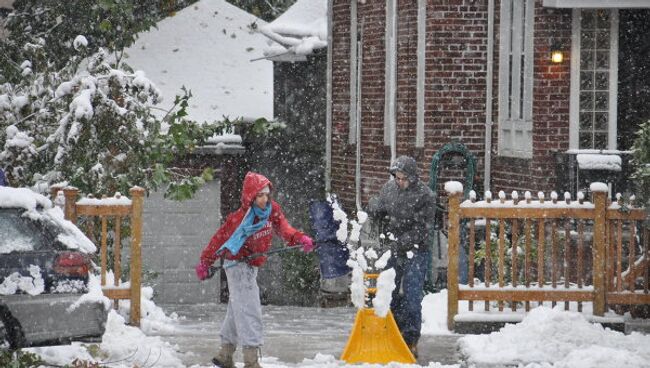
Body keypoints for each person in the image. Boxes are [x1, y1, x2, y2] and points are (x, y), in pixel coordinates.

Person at [195, 171, 315, 368]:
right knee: (250, 310)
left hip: (252, 265)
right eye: (260, 195)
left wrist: (299, 238)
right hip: (237, 266)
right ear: (250, 196)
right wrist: (205, 262)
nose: (264, 199)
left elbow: (284, 228)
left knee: (237, 308)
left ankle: (225, 354)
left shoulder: (271, 210)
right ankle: (251, 361)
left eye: (267, 195)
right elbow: (219, 239)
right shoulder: (239, 219)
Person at [367, 155, 436, 358]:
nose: (400, 182)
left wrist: (402, 242)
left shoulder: (425, 196)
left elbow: (423, 230)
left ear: (413, 177)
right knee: (390, 291)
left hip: (416, 250)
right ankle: (395, 332)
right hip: (393, 248)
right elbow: (379, 205)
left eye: (403, 178)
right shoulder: (389, 189)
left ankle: (411, 338)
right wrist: (374, 209)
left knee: (413, 296)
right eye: (397, 178)